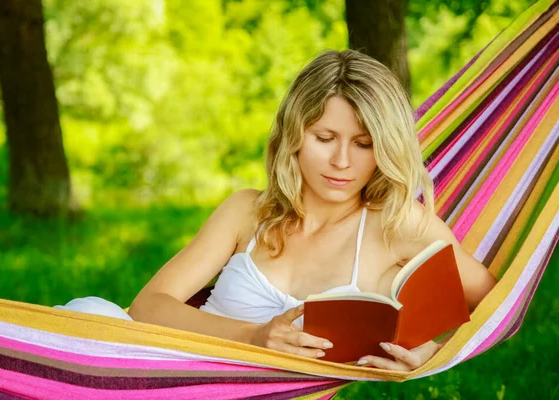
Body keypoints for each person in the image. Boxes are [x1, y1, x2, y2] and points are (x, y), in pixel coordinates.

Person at [56, 49, 498, 371]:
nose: (343, 161)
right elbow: (147, 307)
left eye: (363, 145)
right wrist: (254, 337)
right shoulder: (248, 212)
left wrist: (430, 353)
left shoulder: (400, 226)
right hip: (173, 374)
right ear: (294, 135)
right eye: (325, 138)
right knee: (89, 314)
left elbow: (495, 304)